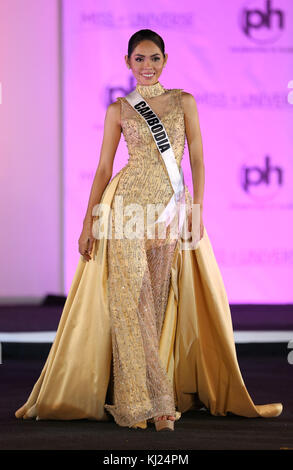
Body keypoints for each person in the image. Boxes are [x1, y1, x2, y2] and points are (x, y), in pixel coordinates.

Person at [15, 29, 283, 432]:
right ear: (127, 62)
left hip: (169, 212)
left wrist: (196, 208)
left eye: (154, 58)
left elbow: (199, 160)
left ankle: (149, 392)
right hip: (124, 211)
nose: (147, 66)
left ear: (165, 60)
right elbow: (104, 169)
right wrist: (89, 220)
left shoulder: (184, 102)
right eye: (139, 59)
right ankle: (146, 402)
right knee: (130, 304)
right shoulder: (119, 109)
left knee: (156, 305)